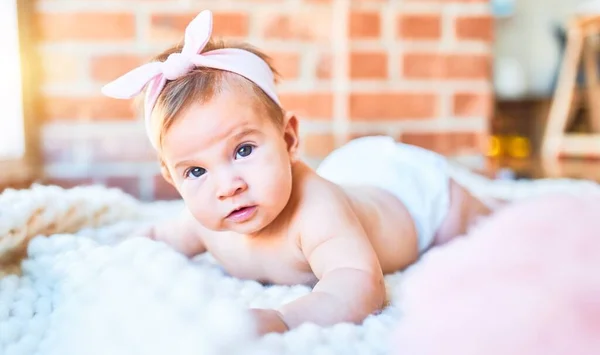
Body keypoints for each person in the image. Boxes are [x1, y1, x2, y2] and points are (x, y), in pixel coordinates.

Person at [101, 10, 494, 335]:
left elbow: (360, 282)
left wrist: (287, 318)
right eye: (197, 172)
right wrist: (113, 259)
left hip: (410, 197)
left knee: (478, 228)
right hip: (352, 171)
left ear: (289, 140)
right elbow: (153, 238)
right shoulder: (204, 221)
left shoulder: (316, 210)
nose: (227, 186)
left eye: (243, 150)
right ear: (173, 178)